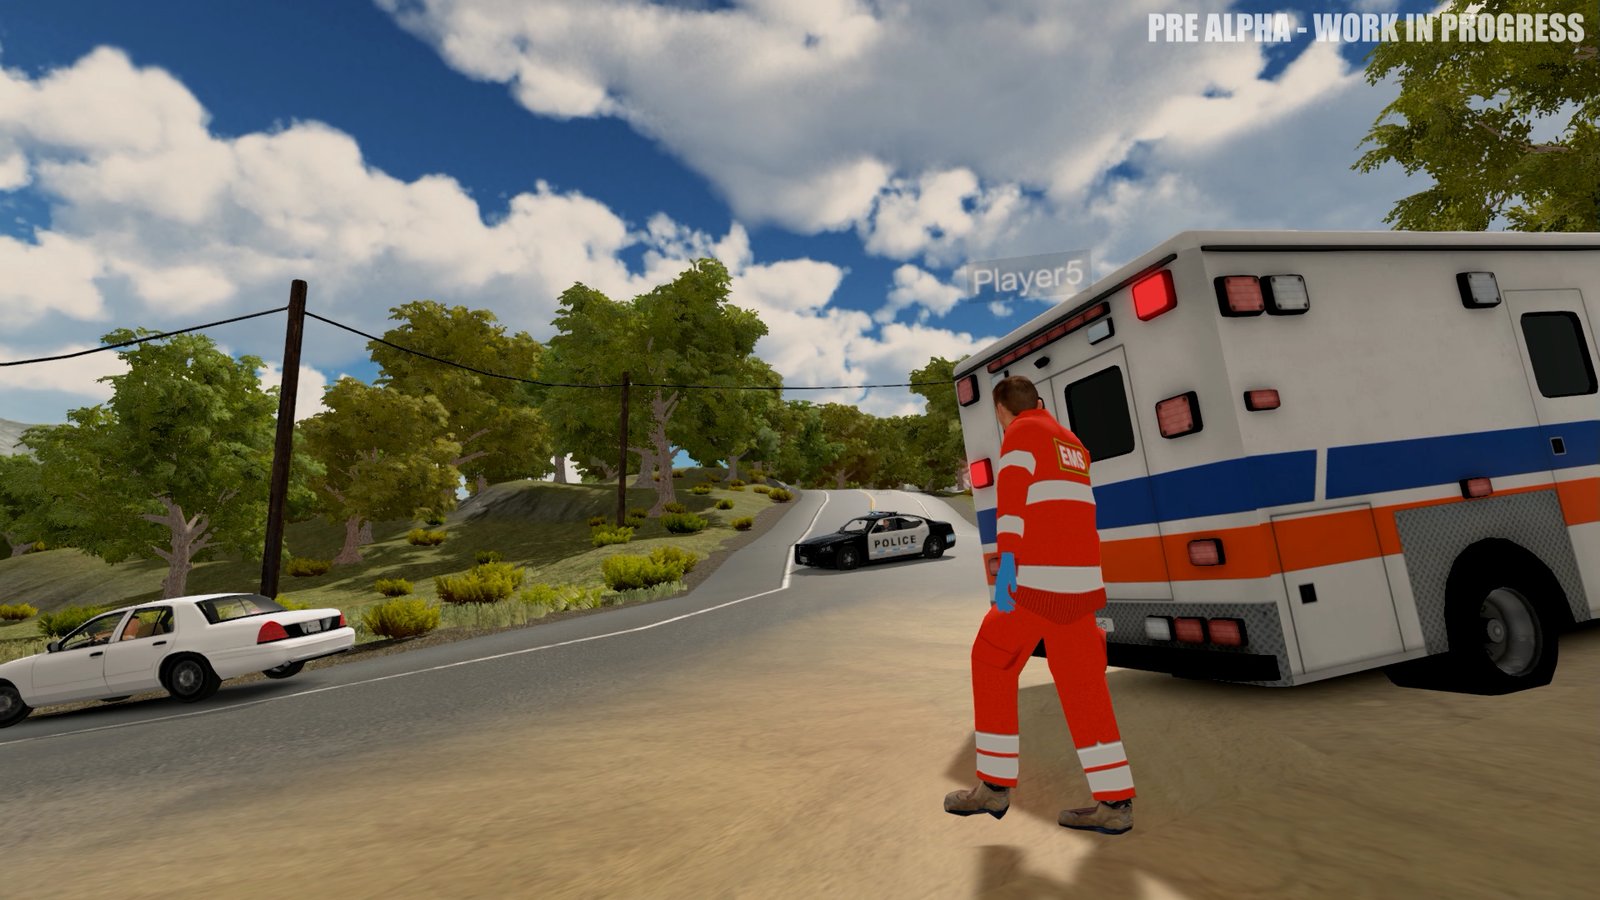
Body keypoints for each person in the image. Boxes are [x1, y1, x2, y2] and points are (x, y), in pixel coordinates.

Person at [943, 375, 1136, 835]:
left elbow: (1012, 507)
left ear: (1001, 411)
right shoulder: (1074, 446)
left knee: (991, 661)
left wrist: (1007, 570)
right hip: (1081, 587)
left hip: (1037, 585)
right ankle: (1115, 803)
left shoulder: (1020, 435)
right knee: (1084, 687)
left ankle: (993, 787)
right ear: (1041, 402)